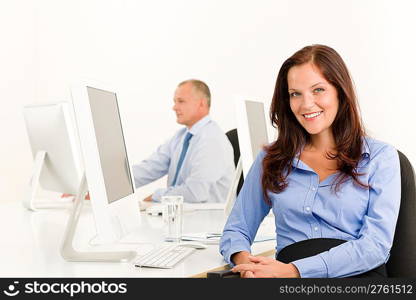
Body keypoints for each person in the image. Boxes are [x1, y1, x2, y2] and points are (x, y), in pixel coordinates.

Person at [220, 45, 401, 278]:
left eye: (318, 90)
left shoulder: (380, 158)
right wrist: (247, 264)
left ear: (340, 91)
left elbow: (376, 245)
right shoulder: (271, 159)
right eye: (295, 93)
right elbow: (237, 229)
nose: (306, 104)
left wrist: (295, 271)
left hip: (355, 277)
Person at [132, 79, 234, 203]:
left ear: (201, 103)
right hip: (184, 215)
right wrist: (114, 181)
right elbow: (150, 167)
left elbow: (195, 193)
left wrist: (156, 196)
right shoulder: (181, 136)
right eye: (175, 102)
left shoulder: (212, 140)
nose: (174, 107)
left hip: (207, 218)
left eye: (181, 101)